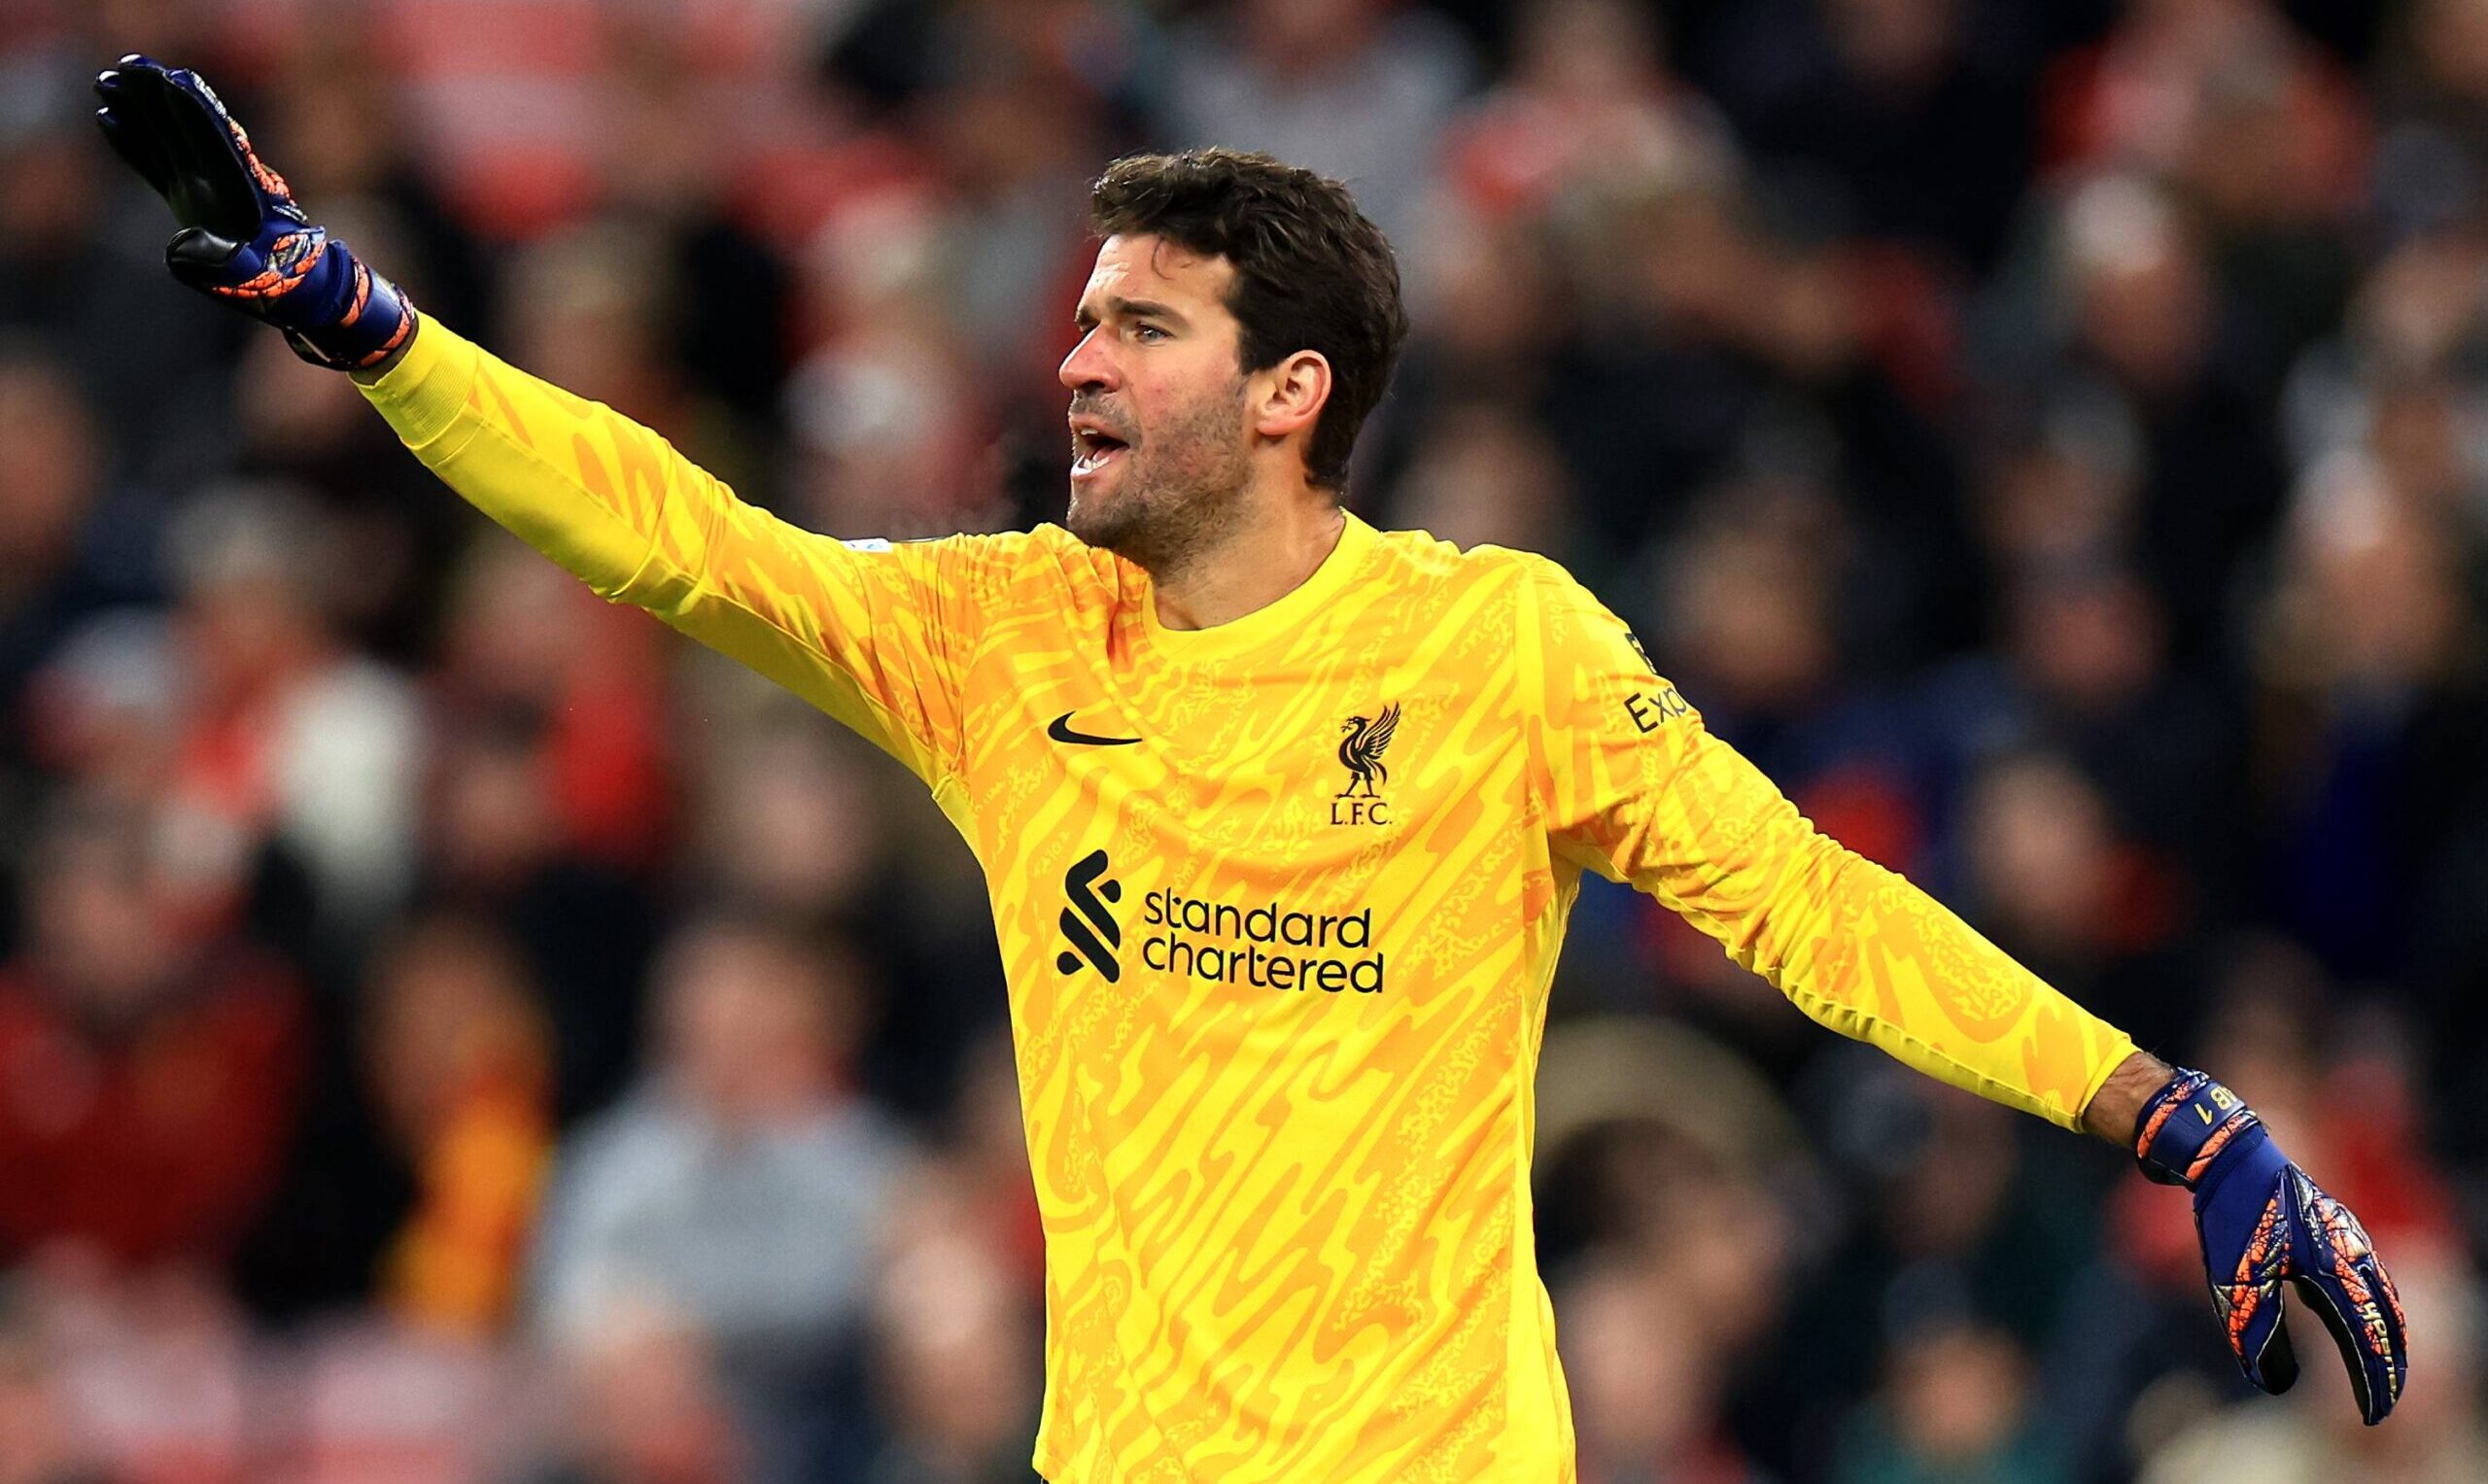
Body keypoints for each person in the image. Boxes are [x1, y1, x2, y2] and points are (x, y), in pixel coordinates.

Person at [91, 53, 2409, 1484]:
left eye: (1136, 323)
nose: (1070, 358)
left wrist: (2162, 1107)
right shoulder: (1001, 634)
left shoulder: (1492, 645)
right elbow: (675, 540)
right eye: (1077, 315)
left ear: (1286, 389)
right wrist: (354, 319)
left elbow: (1805, 905)